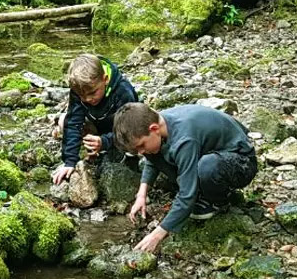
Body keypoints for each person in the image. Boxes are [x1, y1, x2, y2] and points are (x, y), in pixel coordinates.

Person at [114, 102, 257, 254]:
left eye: (141, 145)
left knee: (206, 168)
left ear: (154, 129)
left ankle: (218, 202)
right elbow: (151, 161)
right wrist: (141, 195)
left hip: (242, 162)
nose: (141, 152)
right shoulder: (157, 123)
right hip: (208, 151)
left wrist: (157, 234)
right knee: (155, 152)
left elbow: (186, 196)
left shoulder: (184, 139)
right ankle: (202, 188)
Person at [51, 54, 138, 186]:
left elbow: (131, 128)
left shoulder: (122, 91)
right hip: (96, 126)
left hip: (122, 128)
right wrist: (69, 162)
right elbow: (74, 123)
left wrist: (105, 141)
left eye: (92, 93)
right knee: (64, 121)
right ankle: (96, 151)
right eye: (82, 96)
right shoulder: (79, 90)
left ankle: (111, 150)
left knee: (134, 139)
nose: (88, 99)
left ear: (105, 79)